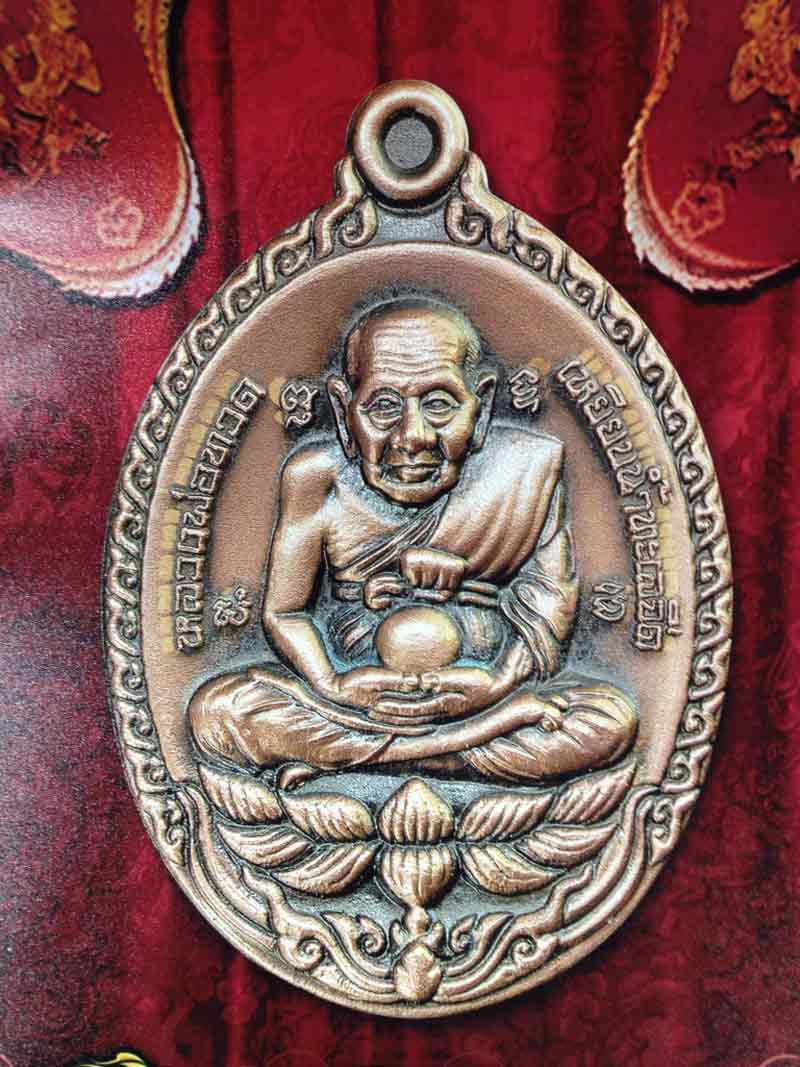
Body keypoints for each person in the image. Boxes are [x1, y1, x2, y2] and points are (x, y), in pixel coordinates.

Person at [189, 293, 637, 785]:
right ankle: (448, 755)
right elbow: (286, 612)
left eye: (440, 404)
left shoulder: (528, 468)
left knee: (608, 720)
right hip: (357, 697)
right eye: (383, 406)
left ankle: (380, 759)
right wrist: (332, 682)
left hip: (477, 693)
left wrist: (497, 683)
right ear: (343, 410)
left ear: (482, 404)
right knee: (220, 713)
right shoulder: (317, 478)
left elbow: (548, 609)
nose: (413, 435)